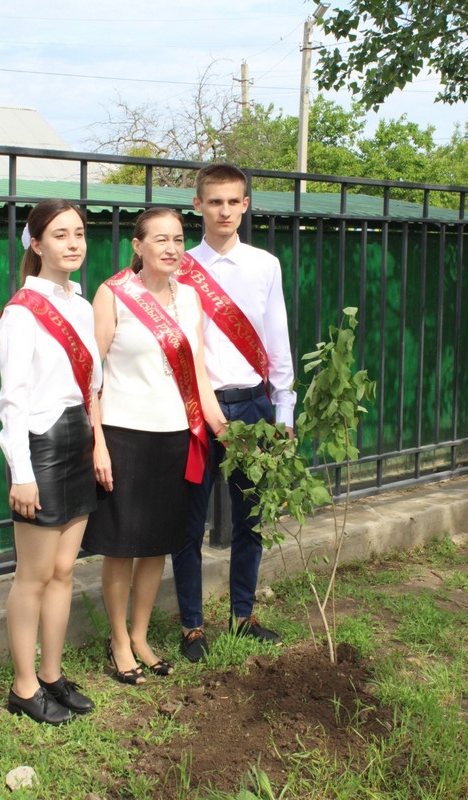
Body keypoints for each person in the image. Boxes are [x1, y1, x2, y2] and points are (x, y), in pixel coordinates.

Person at [81, 207, 228, 684]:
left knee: (156, 546)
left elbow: (199, 371)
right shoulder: (114, 294)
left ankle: (141, 636)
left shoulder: (190, 297)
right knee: (122, 546)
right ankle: (119, 642)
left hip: (175, 436)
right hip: (124, 435)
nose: (171, 248)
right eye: (160, 239)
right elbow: (91, 377)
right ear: (137, 246)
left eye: (178, 239)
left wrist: (221, 425)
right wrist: (98, 443)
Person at [172, 163, 297, 662]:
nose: (224, 211)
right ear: (198, 205)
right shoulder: (179, 267)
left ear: (245, 205)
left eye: (233, 201)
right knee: (188, 524)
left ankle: (243, 616)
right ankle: (191, 627)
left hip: (252, 405)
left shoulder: (265, 265)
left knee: (251, 519)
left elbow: (277, 338)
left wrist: (284, 411)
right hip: (194, 410)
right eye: (214, 201)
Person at [0, 199, 103, 724]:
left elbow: (93, 388)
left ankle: (52, 675)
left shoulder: (81, 306)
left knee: (63, 571)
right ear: (36, 244)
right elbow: (12, 402)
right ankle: (23, 687)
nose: (73, 243)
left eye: (78, 232)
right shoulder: (22, 312)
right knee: (33, 575)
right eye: (60, 235)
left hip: (78, 438)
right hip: (40, 446)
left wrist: (97, 442)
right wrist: (22, 474)